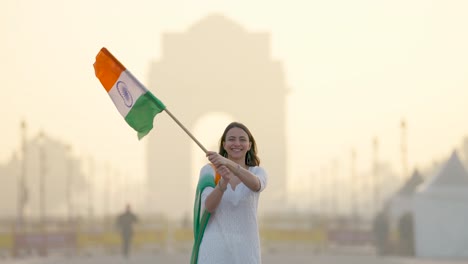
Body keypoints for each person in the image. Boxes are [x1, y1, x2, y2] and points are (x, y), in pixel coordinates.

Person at [191, 122, 268, 264]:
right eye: (231, 139)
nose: (237, 143)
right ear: (224, 144)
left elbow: (256, 185)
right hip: (214, 251)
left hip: (246, 252)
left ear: (249, 145)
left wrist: (228, 163)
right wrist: (222, 183)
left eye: (242, 139)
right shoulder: (210, 171)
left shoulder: (258, 172)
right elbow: (208, 207)